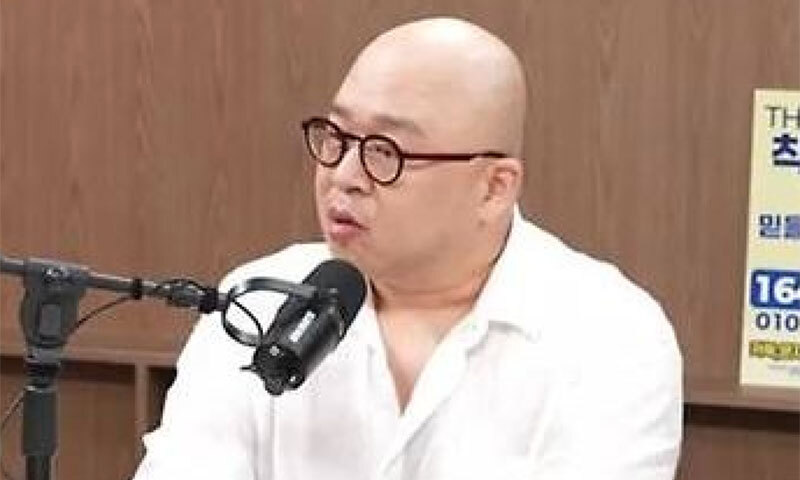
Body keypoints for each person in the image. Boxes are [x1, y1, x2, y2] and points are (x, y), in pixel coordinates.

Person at [133, 17, 682, 480]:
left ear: (494, 188)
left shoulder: (611, 334)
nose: (343, 176)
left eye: (386, 151)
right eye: (336, 137)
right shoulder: (257, 304)